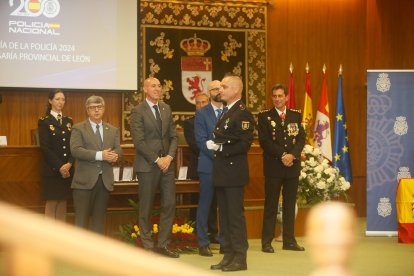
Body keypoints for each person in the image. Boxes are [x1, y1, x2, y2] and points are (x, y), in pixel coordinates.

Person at [209, 74, 254, 272]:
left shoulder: (243, 113)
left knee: (235, 216)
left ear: (236, 90)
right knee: (225, 217)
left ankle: (240, 257)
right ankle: (228, 255)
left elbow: (244, 144)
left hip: (233, 172)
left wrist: (220, 149)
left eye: (224, 87)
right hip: (222, 172)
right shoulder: (228, 111)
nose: (220, 90)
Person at [130, 77, 179, 258]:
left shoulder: (166, 108)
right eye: (153, 86)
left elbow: (173, 137)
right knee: (146, 205)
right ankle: (147, 245)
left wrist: (169, 157)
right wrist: (157, 160)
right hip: (148, 166)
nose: (158, 89)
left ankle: (163, 244)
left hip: (167, 165)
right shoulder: (137, 111)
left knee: (169, 204)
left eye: (159, 86)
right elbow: (139, 141)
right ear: (145, 89)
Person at [259, 84, 306, 253]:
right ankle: (266, 242)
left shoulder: (295, 115)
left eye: (280, 96)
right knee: (271, 205)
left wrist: (292, 155)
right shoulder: (265, 117)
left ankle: (289, 240)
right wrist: (283, 155)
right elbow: (264, 141)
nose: (277, 99)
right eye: (274, 96)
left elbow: (301, 138)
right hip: (274, 167)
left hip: (292, 167)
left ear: (286, 97)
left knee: (289, 204)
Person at [70, 95, 122, 234]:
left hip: (104, 181)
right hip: (84, 182)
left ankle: (96, 255)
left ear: (104, 109)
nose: (96, 110)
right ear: (87, 110)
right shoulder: (78, 128)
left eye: (99, 107)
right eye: (93, 108)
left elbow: (118, 149)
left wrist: (115, 155)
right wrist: (100, 155)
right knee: (81, 222)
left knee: (99, 221)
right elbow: (76, 150)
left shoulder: (112, 129)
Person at [194, 81, 224, 257]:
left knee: (226, 205)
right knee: (205, 205)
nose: (218, 91)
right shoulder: (202, 113)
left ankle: (224, 241)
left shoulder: (229, 111)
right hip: (208, 165)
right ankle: (203, 242)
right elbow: (201, 140)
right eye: (214, 89)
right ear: (209, 92)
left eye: (220, 88)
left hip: (227, 166)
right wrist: (219, 154)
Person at [38, 89, 73, 221]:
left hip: (67, 170)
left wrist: (69, 164)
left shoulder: (68, 121)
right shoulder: (44, 121)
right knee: (52, 202)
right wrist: (60, 167)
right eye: (57, 99)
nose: (60, 102)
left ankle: (60, 238)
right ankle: (48, 239)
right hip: (52, 170)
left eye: (63, 99)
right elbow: (45, 148)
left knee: (63, 202)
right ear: (50, 101)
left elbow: (72, 146)